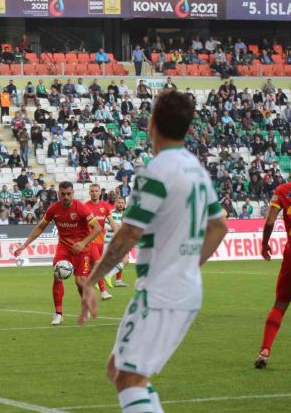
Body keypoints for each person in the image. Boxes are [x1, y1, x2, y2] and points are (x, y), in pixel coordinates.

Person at [78, 91, 227, 413]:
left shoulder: (156, 171)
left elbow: (130, 231)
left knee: (128, 377)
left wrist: (91, 281)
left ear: (152, 123)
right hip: (179, 288)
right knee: (121, 371)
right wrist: (188, 264)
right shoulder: (196, 169)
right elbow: (219, 227)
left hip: (161, 292)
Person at [13, 181, 101, 325]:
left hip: (82, 249)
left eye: (68, 194)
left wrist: (83, 242)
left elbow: (97, 228)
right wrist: (25, 245)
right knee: (57, 276)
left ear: (73, 193)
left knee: (80, 282)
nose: (66, 197)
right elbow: (40, 227)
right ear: (58, 194)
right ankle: (58, 313)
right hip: (64, 248)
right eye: (63, 194)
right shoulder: (54, 209)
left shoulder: (81, 208)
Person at [256, 175, 291, 368]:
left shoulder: (282, 191)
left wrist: (264, 245)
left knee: (280, 304)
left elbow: (270, 223)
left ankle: (265, 351)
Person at [83, 183, 115, 300]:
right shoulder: (85, 206)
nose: (94, 193)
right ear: (89, 192)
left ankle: (86, 287)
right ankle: (103, 291)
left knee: (91, 267)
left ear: (100, 192)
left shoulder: (105, 206)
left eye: (96, 191)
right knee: (98, 264)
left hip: (101, 242)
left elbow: (111, 222)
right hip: (91, 241)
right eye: (92, 191)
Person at [103, 196, 128, 288]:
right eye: (119, 202)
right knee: (124, 260)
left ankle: (118, 280)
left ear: (125, 204)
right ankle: (108, 276)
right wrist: (114, 227)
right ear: (115, 204)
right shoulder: (110, 214)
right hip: (110, 241)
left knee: (121, 261)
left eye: (122, 203)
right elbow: (104, 225)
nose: (120, 204)